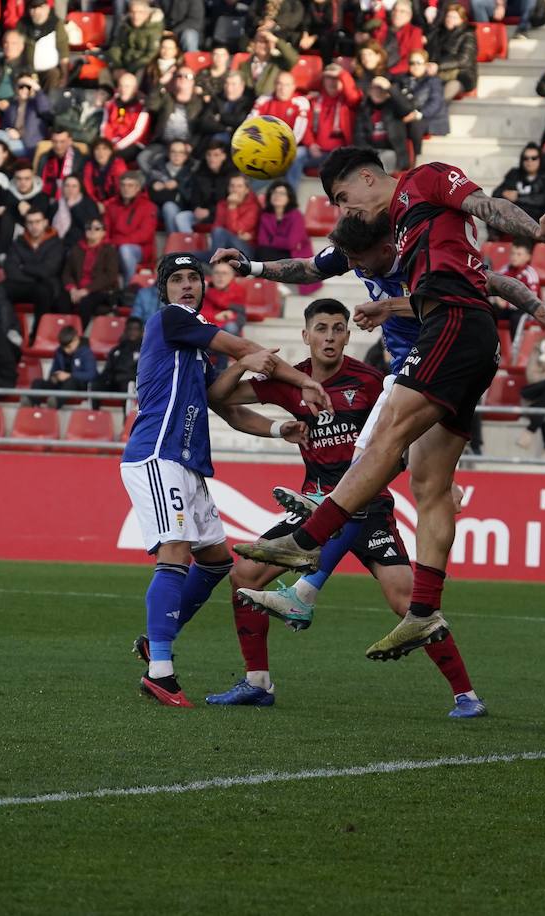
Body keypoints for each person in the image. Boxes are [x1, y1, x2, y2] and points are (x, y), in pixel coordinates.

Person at [232, 148, 545, 661]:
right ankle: (422, 612)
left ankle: (309, 539)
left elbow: (486, 208)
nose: (344, 211)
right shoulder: (381, 231)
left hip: (451, 326)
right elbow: (309, 266)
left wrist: (537, 234)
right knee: (429, 483)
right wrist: (252, 266)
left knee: (387, 433)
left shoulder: (427, 181)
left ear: (368, 178)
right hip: (460, 338)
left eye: (344, 199)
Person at [209, 299, 487, 718]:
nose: (330, 337)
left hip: (369, 507)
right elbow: (220, 399)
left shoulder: (371, 381)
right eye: (321, 328)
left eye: (339, 328)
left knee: (408, 600)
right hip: (313, 509)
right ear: (305, 336)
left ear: (348, 335)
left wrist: (449, 482)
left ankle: (465, 695)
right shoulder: (293, 380)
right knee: (243, 574)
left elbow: (411, 430)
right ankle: (257, 682)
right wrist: (249, 369)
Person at [120, 252, 328, 707]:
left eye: (194, 278)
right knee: (175, 553)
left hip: (187, 462)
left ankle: (157, 639)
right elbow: (238, 349)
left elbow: (224, 404)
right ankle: (160, 671)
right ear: (165, 289)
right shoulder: (172, 320)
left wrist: (278, 427)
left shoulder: (192, 345)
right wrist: (302, 383)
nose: (188, 285)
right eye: (177, 279)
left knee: (215, 561)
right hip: (157, 453)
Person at [4, 208, 67, 336]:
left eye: (37, 222)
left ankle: (37, 334)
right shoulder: (18, 243)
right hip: (23, 285)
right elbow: (10, 269)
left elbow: (48, 271)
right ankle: (9, 331)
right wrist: (35, 275)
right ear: (26, 224)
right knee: (1, 289)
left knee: (44, 291)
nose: (34, 226)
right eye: (30, 222)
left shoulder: (56, 243)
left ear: (45, 222)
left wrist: (23, 267)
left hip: (46, 287)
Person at [104, 171, 159, 284]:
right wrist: (108, 244)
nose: (126, 188)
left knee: (125, 250)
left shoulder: (148, 206)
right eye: (123, 185)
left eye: (130, 185)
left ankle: (129, 288)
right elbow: (105, 229)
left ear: (138, 188)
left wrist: (117, 242)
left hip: (140, 250)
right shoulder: (112, 206)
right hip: (115, 246)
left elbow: (144, 235)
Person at [62, 218, 121, 322]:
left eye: (97, 228)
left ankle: (77, 334)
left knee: (86, 302)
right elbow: (67, 273)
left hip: (100, 290)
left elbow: (110, 276)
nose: (92, 230)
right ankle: (62, 332)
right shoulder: (76, 249)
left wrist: (86, 290)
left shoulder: (109, 250)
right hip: (77, 289)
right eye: (89, 228)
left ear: (104, 232)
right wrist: (72, 289)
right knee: (61, 300)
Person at [29, 325, 97, 405]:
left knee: (71, 381)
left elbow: (91, 375)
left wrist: (70, 375)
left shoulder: (86, 353)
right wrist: (55, 377)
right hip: (60, 384)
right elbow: (53, 371)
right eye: (63, 347)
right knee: (37, 382)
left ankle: (55, 402)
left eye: (68, 346)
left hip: (78, 386)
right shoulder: (59, 352)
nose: (65, 350)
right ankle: (32, 404)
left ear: (76, 339)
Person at [493, 144, 545, 226]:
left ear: (540, 159)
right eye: (526, 158)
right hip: (513, 215)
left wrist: (518, 197)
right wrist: (503, 193)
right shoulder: (514, 174)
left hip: (536, 218)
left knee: (525, 218)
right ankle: (493, 237)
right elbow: (496, 193)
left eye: (534, 158)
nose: (529, 161)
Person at [425, 4, 478, 100]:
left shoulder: (468, 35)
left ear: (462, 20)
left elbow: (464, 60)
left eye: (454, 17)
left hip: (460, 76)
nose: (449, 19)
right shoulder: (439, 33)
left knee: (443, 96)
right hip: (437, 75)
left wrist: (438, 66)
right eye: (448, 16)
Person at [93, 316, 144, 394]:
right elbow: (108, 369)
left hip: (131, 383)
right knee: (97, 384)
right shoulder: (117, 350)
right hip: (115, 380)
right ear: (125, 331)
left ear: (141, 332)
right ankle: (94, 406)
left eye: (135, 329)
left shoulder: (145, 351)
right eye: (129, 329)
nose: (132, 332)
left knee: (126, 385)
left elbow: (142, 373)